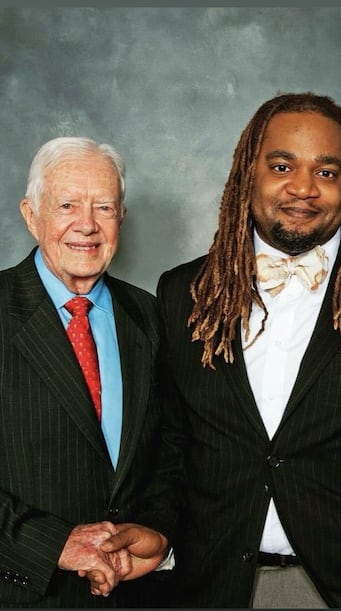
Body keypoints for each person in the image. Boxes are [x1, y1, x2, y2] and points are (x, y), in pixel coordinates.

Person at [102, 92, 341, 608]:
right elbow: (174, 443)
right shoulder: (185, 292)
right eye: (282, 165)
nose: (303, 188)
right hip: (214, 588)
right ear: (249, 172)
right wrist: (159, 530)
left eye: (326, 172)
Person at [0, 137, 170, 607]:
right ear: (31, 215)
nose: (87, 225)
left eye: (105, 208)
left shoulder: (152, 318)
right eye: (68, 204)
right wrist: (53, 543)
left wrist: (160, 533)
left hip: (135, 596)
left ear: (122, 219)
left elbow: (171, 453)